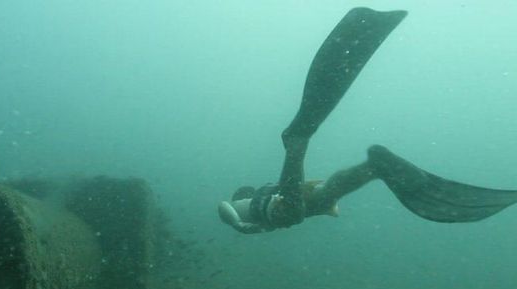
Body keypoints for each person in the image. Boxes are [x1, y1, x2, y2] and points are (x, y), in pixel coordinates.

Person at [219, 7, 517, 234]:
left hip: (287, 205)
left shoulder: (243, 207)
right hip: (307, 202)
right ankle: (373, 167)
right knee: (325, 195)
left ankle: (296, 143)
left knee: (293, 213)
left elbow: (224, 209)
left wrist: (238, 225)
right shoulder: (262, 200)